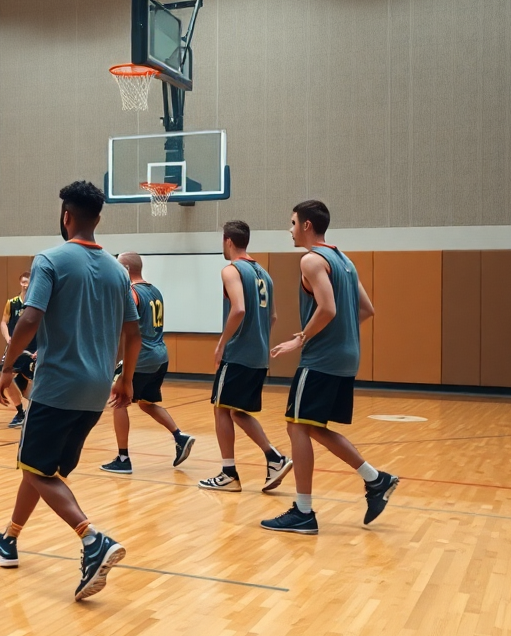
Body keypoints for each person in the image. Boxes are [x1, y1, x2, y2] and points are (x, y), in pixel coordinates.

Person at [0, 181, 141, 601]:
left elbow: (30, 318)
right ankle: (9, 537)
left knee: (36, 467)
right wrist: (125, 380)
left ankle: (92, 540)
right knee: (43, 470)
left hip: (56, 386)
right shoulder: (116, 269)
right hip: (95, 391)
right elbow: (133, 330)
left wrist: (6, 369)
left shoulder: (49, 260)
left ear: (66, 216)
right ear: (98, 217)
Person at [262, 200, 398, 534]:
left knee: (296, 426)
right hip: (345, 356)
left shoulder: (311, 259)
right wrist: (343, 339)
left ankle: (304, 512)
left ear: (307, 225)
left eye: (293, 222)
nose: (290, 229)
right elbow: (366, 309)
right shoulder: (344, 261)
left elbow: (328, 308)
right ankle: (375, 479)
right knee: (311, 426)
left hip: (321, 359)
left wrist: (301, 339)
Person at [198, 222, 291, 492]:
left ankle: (229, 473)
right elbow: (272, 317)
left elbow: (238, 309)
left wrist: (222, 343)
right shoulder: (264, 274)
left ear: (228, 241)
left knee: (221, 409)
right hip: (259, 355)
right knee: (237, 411)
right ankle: (274, 458)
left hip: (238, 353)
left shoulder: (231, 270)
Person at [100, 253, 195, 474]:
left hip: (141, 358)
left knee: (118, 400)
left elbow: (126, 332)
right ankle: (180, 437)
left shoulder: (131, 293)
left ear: (124, 268)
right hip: (160, 356)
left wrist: (116, 366)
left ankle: (123, 458)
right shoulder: (154, 291)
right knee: (145, 403)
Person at [0, 271, 35, 429]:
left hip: (34, 348)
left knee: (34, 386)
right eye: (23, 282)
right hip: (17, 349)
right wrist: (8, 337)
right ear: (20, 282)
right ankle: (20, 412)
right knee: (6, 379)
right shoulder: (12, 302)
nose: (25, 284)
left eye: (28, 282)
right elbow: (3, 322)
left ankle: (32, 413)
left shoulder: (36, 303)